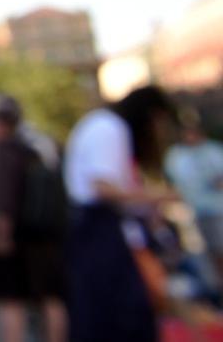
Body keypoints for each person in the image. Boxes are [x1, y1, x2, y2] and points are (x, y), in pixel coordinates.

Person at [62, 85, 177, 342]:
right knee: (115, 312)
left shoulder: (105, 126)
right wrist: (161, 196)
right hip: (98, 230)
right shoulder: (109, 128)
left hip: (97, 229)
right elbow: (103, 187)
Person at [0, 94, 67, 342]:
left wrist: (2, 236)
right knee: (50, 298)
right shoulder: (38, 150)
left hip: (17, 238)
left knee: (11, 302)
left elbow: (5, 198)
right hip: (45, 239)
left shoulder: (7, 150)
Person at [165, 109, 223, 283]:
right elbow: (173, 183)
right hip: (191, 213)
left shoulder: (214, 151)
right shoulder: (176, 156)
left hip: (217, 210)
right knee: (204, 258)